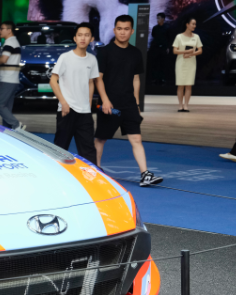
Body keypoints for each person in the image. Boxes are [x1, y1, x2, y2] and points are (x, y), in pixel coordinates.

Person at [94, 15, 162, 187]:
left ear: (132, 31)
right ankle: (95, 170)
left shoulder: (136, 53)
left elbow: (136, 79)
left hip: (129, 104)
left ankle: (145, 174)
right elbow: (98, 79)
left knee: (136, 138)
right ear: (114, 30)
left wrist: (137, 104)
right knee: (101, 138)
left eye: (126, 29)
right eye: (119, 29)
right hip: (109, 105)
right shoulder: (104, 52)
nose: (122, 32)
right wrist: (105, 100)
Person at [49, 22, 99, 163]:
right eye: (80, 35)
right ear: (75, 38)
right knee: (60, 149)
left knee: (88, 150)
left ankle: (90, 176)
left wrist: (88, 104)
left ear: (91, 39)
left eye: (86, 35)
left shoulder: (92, 59)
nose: (83, 38)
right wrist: (63, 103)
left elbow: (91, 82)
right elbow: (53, 81)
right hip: (67, 110)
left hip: (85, 112)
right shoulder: (65, 57)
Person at [0, 21, 25, 131]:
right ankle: (8, 130)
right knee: (6, 107)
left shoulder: (9, 43)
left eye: (2, 28)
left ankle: (16, 125)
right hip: (12, 79)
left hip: (7, 79)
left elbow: (3, 59)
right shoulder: (13, 42)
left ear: (9, 30)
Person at [172, 17, 202, 112]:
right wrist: (185, 51)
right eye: (193, 24)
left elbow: (200, 50)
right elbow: (175, 51)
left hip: (191, 63)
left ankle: (186, 105)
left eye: (195, 24)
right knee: (180, 85)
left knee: (189, 85)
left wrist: (192, 53)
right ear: (187, 24)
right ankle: (180, 105)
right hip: (181, 63)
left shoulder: (196, 37)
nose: (194, 26)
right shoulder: (179, 37)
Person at [150, 12, 171, 84]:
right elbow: (153, 36)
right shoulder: (155, 28)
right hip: (156, 48)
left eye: (159, 18)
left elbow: (169, 38)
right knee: (155, 63)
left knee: (163, 63)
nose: (157, 20)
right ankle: (155, 78)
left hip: (164, 48)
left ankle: (163, 78)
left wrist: (168, 47)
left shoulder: (167, 27)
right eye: (157, 18)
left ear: (163, 19)